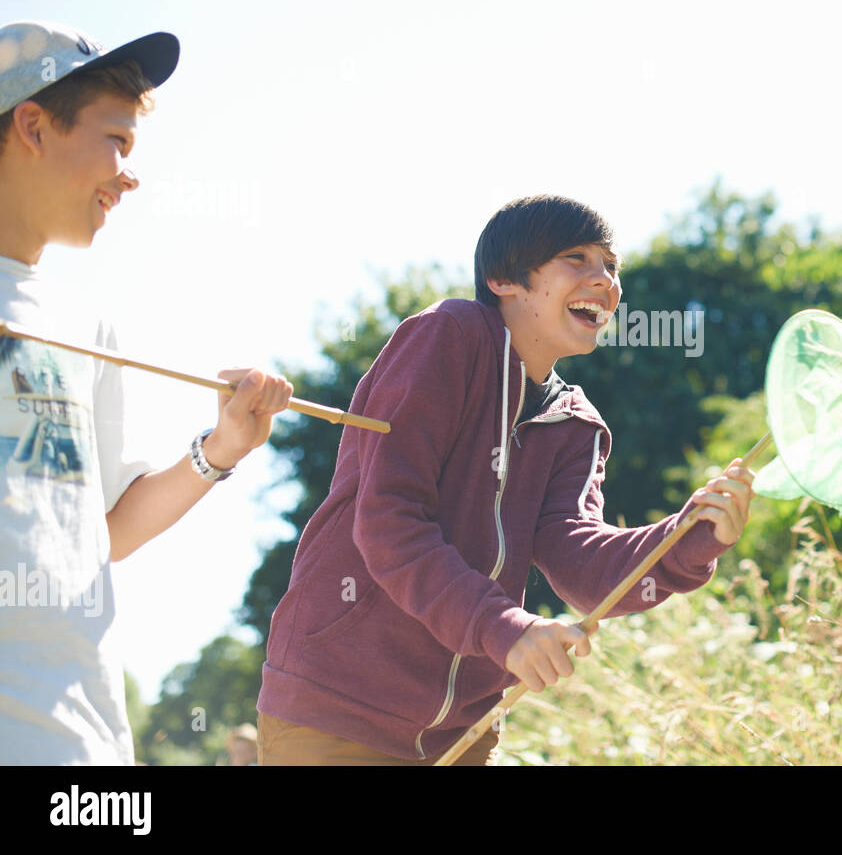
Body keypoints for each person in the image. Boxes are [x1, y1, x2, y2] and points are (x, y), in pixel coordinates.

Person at [257, 194, 755, 765]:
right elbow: (389, 522)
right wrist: (507, 630)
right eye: (578, 259)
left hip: (464, 738)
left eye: (612, 267)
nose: (606, 282)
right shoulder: (446, 338)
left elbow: (582, 566)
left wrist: (691, 536)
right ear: (503, 279)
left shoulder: (576, 425)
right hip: (339, 712)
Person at [0, 20, 293, 764]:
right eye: (117, 143)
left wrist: (222, 448)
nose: (129, 176)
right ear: (32, 124)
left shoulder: (83, 322)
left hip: (84, 741)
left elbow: (105, 533)